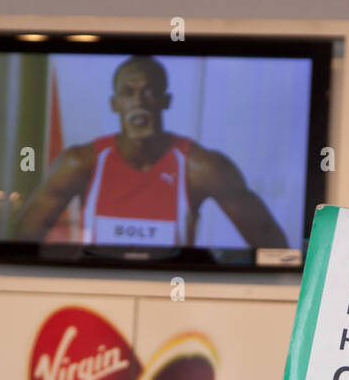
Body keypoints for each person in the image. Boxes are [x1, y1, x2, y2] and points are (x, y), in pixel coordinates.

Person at [15, 55, 288, 248]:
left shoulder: (202, 167)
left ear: (165, 101)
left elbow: (276, 248)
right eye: (128, 93)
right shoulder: (79, 164)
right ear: (114, 104)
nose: (138, 102)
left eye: (149, 93)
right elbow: (19, 245)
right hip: (99, 296)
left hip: (174, 300)